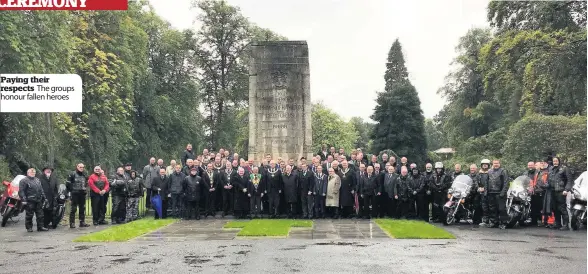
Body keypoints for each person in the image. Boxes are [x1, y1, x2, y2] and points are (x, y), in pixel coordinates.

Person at [546, 157, 572, 230]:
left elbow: (569, 180)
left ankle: (565, 225)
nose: (555, 162)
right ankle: (557, 223)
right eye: (554, 161)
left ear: (559, 161)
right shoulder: (551, 169)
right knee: (554, 208)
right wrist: (546, 185)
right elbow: (548, 180)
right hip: (552, 191)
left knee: (562, 208)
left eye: (556, 161)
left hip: (561, 191)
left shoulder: (564, 168)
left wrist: (566, 189)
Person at [19, 168, 49, 232]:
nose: (33, 173)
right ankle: (29, 227)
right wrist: (23, 199)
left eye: (34, 172)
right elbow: (21, 191)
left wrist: (44, 197)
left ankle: (40, 227)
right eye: (31, 172)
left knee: (40, 215)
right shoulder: (24, 181)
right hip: (30, 200)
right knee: (29, 215)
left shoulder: (37, 180)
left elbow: (41, 189)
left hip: (38, 200)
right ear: (28, 173)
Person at [485, 160, 509, 229]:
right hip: (491, 193)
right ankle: (493, 222)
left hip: (500, 193)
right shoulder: (489, 171)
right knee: (492, 208)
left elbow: (506, 183)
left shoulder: (503, 171)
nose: (496, 164)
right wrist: (486, 192)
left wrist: (503, 192)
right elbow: (486, 182)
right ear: (492, 164)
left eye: (497, 163)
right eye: (494, 163)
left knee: (501, 209)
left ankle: (504, 223)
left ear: (499, 164)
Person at [66, 163, 90, 228]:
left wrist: (86, 190)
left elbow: (87, 183)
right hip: (74, 194)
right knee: (73, 209)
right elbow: (68, 184)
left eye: (82, 167)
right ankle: (72, 223)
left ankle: (82, 222)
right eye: (80, 167)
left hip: (82, 194)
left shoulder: (85, 174)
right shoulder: (72, 174)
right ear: (77, 167)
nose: (81, 168)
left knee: (82, 208)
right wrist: (70, 193)